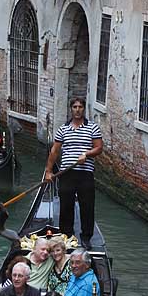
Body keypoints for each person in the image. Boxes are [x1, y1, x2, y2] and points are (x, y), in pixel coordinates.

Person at [45, 97, 103, 250]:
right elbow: (55, 151)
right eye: (75, 107)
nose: (77, 110)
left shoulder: (92, 128)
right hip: (66, 173)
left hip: (85, 173)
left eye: (80, 107)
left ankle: (86, 237)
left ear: (84, 109)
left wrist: (87, 154)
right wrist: (49, 171)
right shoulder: (63, 129)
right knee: (66, 206)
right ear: (71, 109)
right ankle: (66, 236)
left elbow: (99, 148)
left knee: (87, 206)